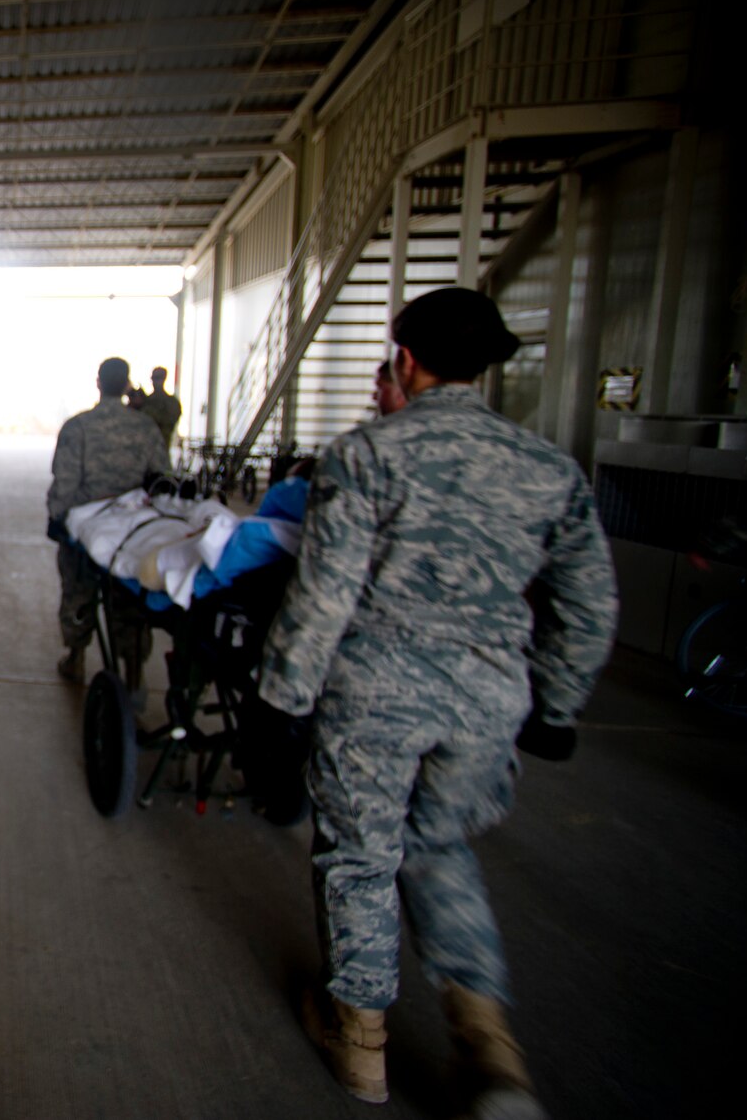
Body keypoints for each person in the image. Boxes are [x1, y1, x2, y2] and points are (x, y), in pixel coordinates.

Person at [257, 288, 618, 1117]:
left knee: (359, 853)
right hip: (488, 700)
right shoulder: (548, 469)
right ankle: (490, 1048)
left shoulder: (367, 455)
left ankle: (362, 1047)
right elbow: (590, 603)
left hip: (376, 694)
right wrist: (556, 704)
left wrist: (283, 703)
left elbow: (325, 596)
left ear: (406, 360)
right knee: (439, 844)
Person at [46, 357, 173, 683]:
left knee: (77, 589)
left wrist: (58, 517)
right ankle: (133, 671)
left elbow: (65, 482)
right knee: (131, 596)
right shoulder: (145, 427)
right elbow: (161, 478)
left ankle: (75, 656)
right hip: (130, 528)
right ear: (127, 384)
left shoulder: (78, 427)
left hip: (88, 525)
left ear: (99, 383)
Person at [141, 366, 182, 444]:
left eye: (158, 378)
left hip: (162, 444)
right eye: (153, 378)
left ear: (164, 379)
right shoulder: (146, 400)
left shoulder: (171, 402)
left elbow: (169, 422)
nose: (155, 381)